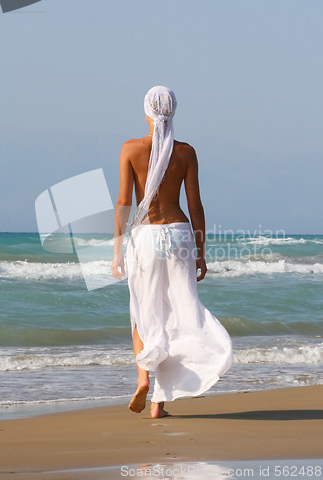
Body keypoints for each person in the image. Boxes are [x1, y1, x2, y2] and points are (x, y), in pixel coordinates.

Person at [111, 86, 232, 418]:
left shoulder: (130, 149)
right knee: (176, 314)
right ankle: (158, 404)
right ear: (174, 112)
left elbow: (124, 202)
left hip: (145, 237)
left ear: (146, 112)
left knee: (142, 313)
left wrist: (118, 248)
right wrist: (201, 251)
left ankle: (142, 379)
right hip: (179, 235)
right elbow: (195, 205)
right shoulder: (186, 153)